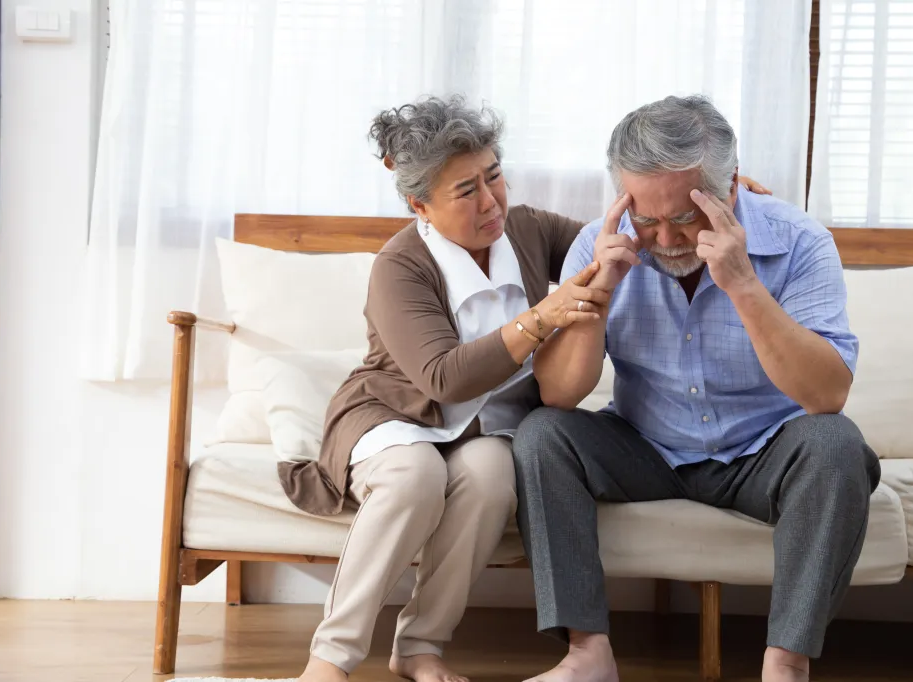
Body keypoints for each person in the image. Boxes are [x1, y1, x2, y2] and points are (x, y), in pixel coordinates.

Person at [281, 94, 771, 682]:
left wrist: (711, 204)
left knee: (490, 476)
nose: (491, 202)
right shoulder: (400, 266)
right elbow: (445, 376)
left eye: (493, 177)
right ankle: (328, 661)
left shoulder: (530, 230)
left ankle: (419, 646)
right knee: (415, 476)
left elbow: (625, 237)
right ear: (421, 206)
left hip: (487, 427)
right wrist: (547, 314)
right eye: (466, 192)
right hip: (396, 416)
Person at [513, 94, 881, 682]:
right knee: (541, 435)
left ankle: (785, 664)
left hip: (765, 453)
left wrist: (744, 287)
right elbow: (559, 394)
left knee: (837, 443)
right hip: (644, 445)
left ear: (729, 188)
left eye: (684, 217)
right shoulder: (598, 245)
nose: (664, 238)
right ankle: (588, 655)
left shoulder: (801, 242)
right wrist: (599, 293)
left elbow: (826, 396)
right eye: (645, 218)